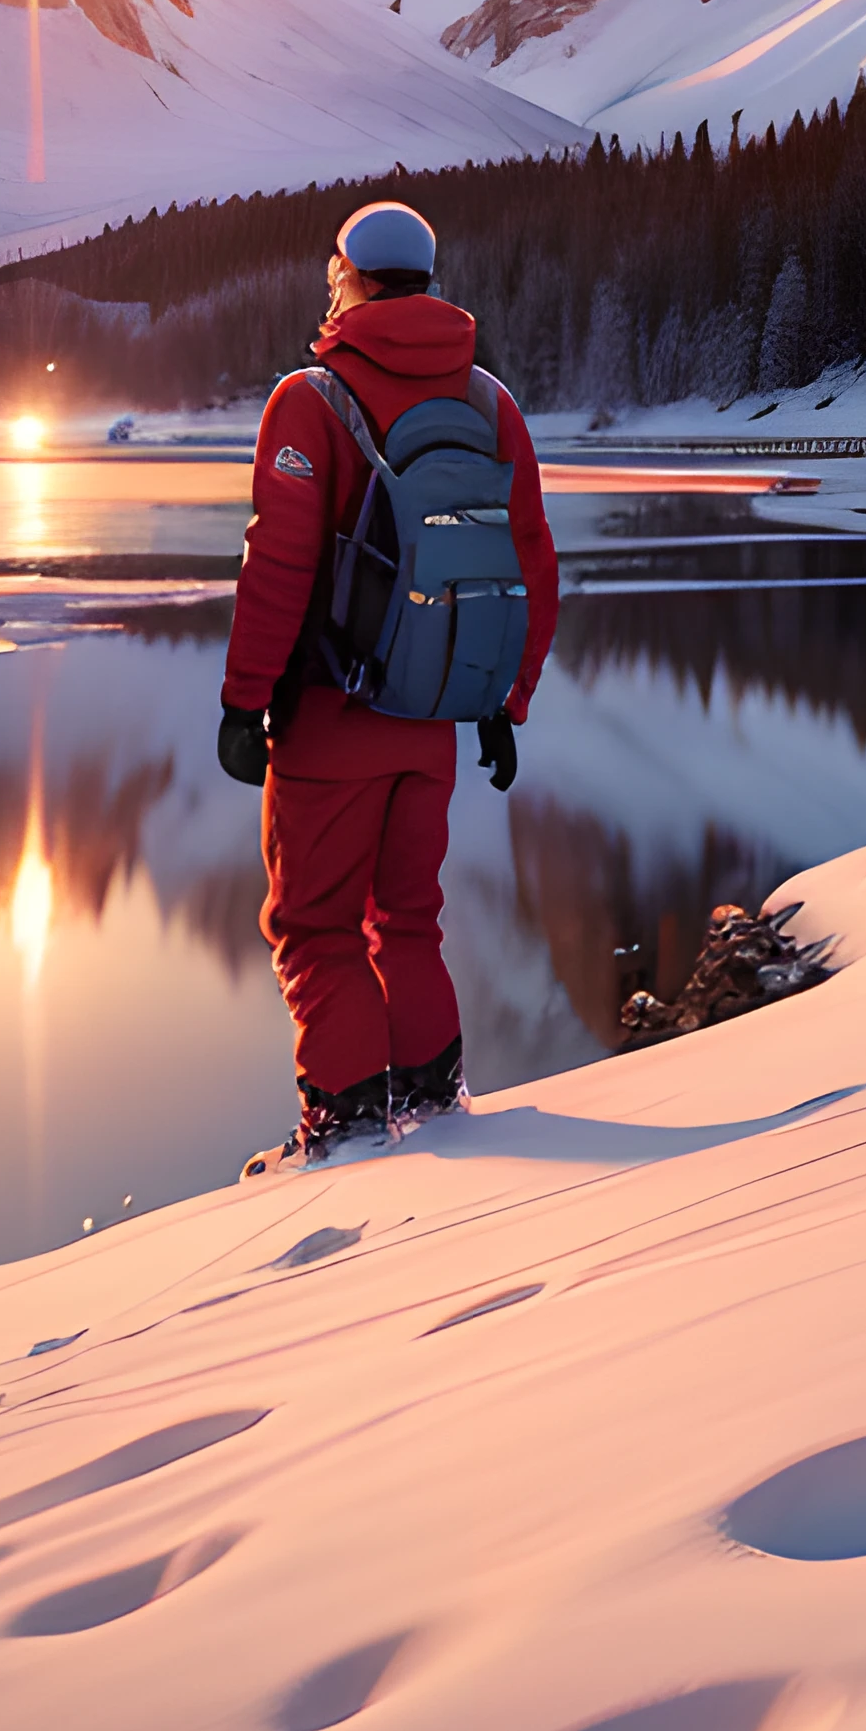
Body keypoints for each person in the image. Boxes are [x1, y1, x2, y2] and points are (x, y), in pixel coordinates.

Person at [219, 199, 558, 1168]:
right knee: (407, 919)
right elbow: (533, 567)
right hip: (435, 717)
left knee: (314, 926)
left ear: (348, 277)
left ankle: (345, 1126)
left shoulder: (309, 402)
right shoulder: (492, 405)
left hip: (330, 719)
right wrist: (505, 701)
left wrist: (245, 703)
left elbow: (278, 567)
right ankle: (435, 1100)